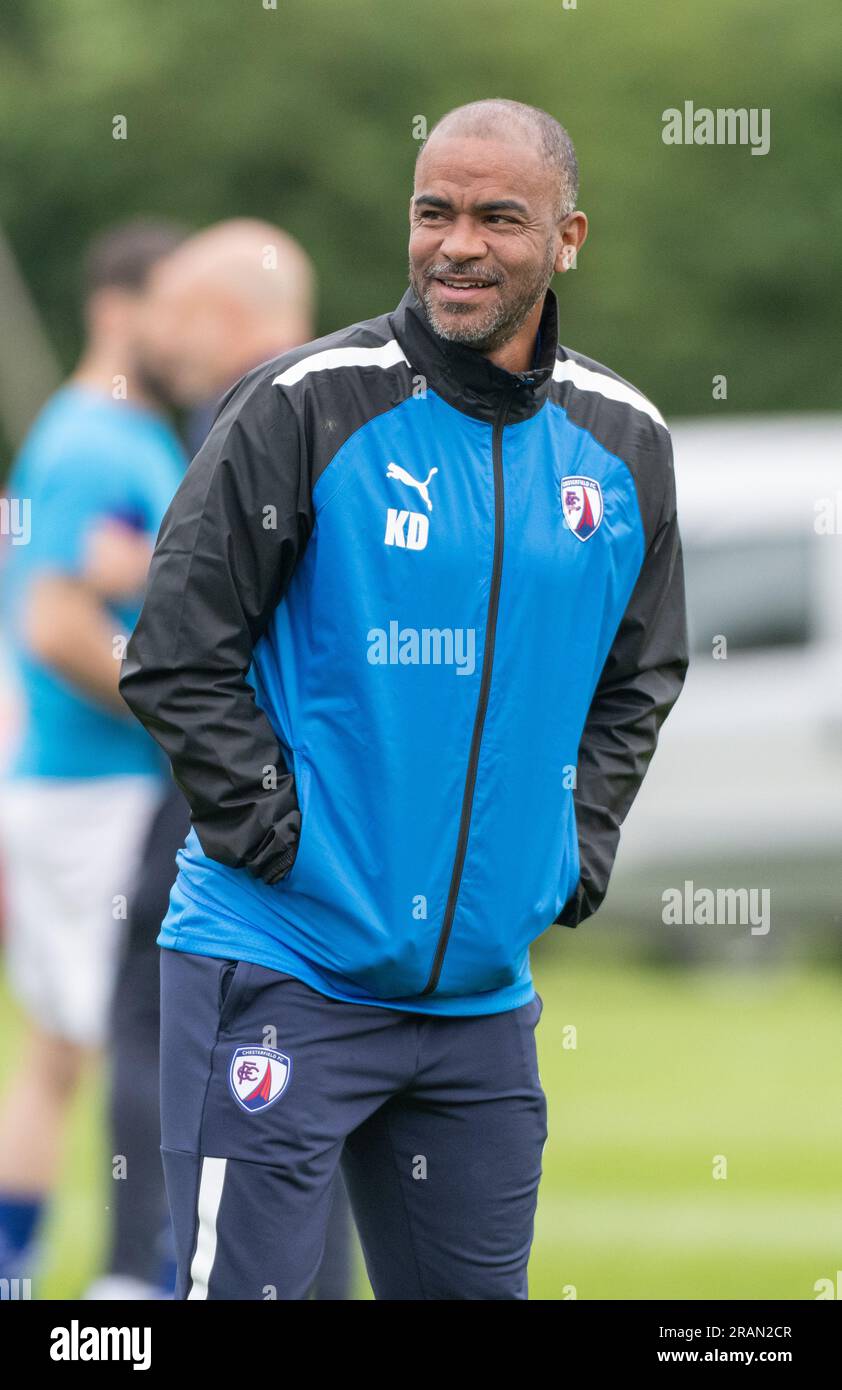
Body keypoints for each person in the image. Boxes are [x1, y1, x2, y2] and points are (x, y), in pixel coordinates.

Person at [120, 99, 689, 1300]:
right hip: (280, 966)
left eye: (497, 217)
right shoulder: (303, 404)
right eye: (434, 213)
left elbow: (638, 674)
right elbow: (176, 652)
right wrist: (283, 835)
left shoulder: (623, 441)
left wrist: (570, 849)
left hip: (481, 1006)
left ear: (567, 236)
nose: (458, 245)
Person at [95, 219, 354, 1300]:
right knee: (317, 1064)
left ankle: (132, 1278)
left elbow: (200, 640)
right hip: (325, 810)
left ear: (230, 317)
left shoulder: (249, 413)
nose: (159, 335)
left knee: (166, 1024)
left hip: (238, 802)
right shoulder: (363, 412)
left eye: (179, 310)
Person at [0, 220, 187, 1284]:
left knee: (61, 1051)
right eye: (174, 304)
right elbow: (55, 627)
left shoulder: (129, 435)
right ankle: (134, 1279)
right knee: (139, 1047)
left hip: (79, 789)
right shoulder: (94, 442)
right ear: (119, 309)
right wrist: (192, 712)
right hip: (92, 791)